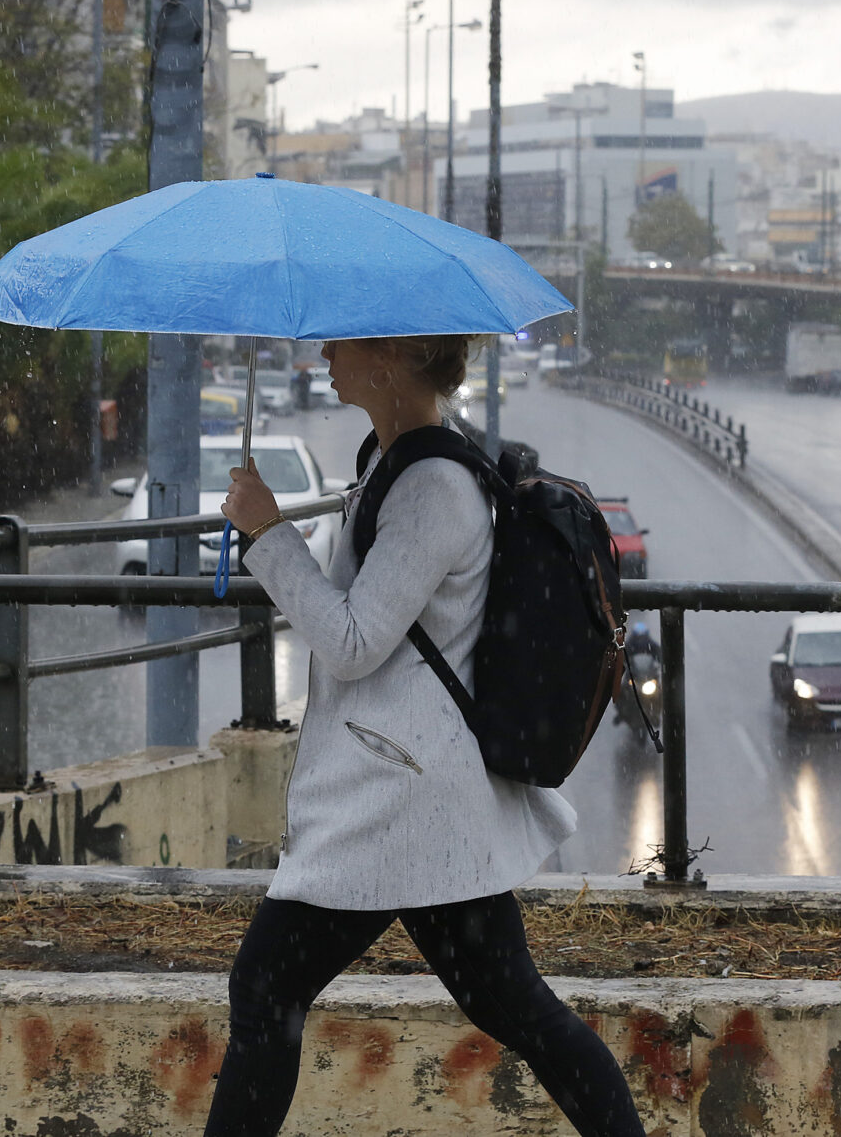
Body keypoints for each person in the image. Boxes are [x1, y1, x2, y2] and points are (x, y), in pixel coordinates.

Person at [210, 334, 644, 1137]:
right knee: (516, 1007)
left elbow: (350, 639)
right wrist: (272, 538)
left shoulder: (434, 484)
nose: (324, 352)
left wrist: (268, 534)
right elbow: (363, 611)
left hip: (397, 798)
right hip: (411, 797)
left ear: (391, 359)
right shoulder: (390, 458)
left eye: (343, 341)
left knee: (265, 987)